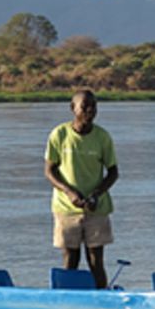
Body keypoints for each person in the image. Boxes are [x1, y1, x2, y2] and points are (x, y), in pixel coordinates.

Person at [44, 89, 119, 288]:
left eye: (93, 106)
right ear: (73, 108)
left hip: (96, 207)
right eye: (84, 106)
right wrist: (70, 193)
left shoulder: (103, 137)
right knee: (71, 258)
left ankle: (102, 298)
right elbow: (50, 171)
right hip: (66, 207)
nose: (90, 111)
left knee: (96, 259)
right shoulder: (59, 134)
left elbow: (113, 172)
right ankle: (69, 298)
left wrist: (95, 195)